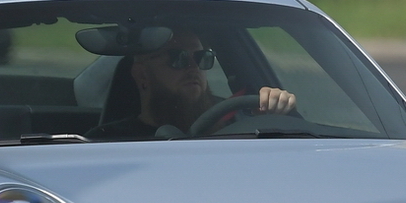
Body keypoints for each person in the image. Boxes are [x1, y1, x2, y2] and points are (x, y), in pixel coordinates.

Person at [119, 29, 297, 136]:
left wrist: (271, 115)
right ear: (142, 75)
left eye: (201, 57)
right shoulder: (110, 142)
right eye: (178, 58)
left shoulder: (239, 127)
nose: (193, 67)